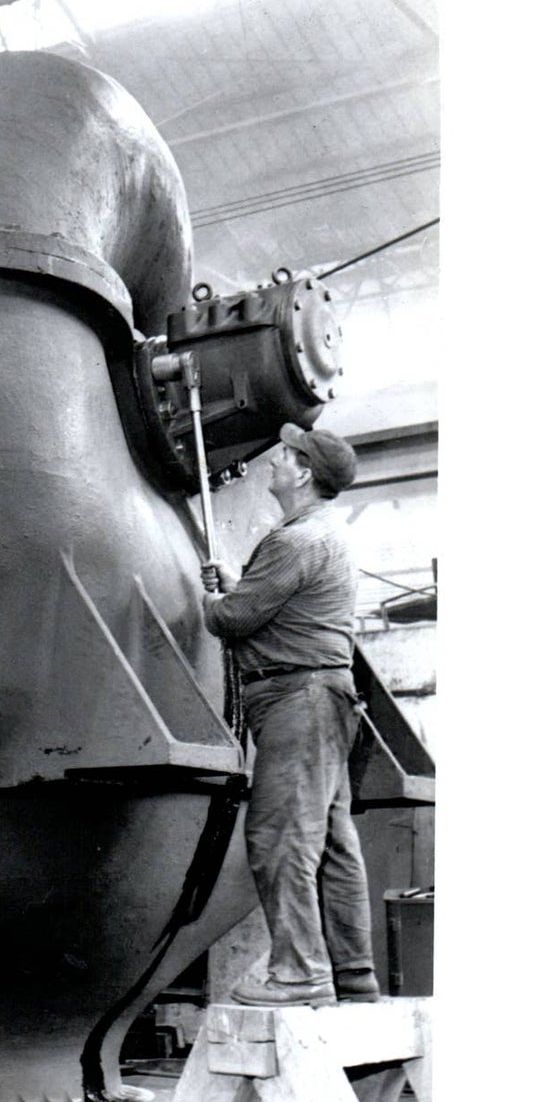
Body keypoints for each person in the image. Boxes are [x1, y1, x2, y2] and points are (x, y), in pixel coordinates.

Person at [200, 423, 379, 1008]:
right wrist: (242, 587)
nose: (274, 462)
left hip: (297, 700)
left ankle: (300, 974)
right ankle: (352, 976)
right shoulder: (325, 534)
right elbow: (277, 604)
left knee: (280, 837)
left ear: (304, 473)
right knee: (330, 842)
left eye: (285, 456)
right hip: (323, 697)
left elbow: (233, 620)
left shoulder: (295, 541)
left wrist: (214, 601)